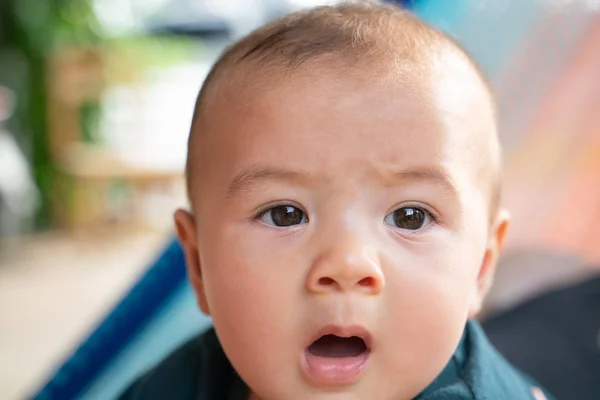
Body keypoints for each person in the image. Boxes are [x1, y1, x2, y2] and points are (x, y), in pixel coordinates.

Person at [119, 2, 552, 399]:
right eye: (285, 214)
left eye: (411, 216)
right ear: (197, 264)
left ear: (481, 266)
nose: (347, 264)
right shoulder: (173, 387)